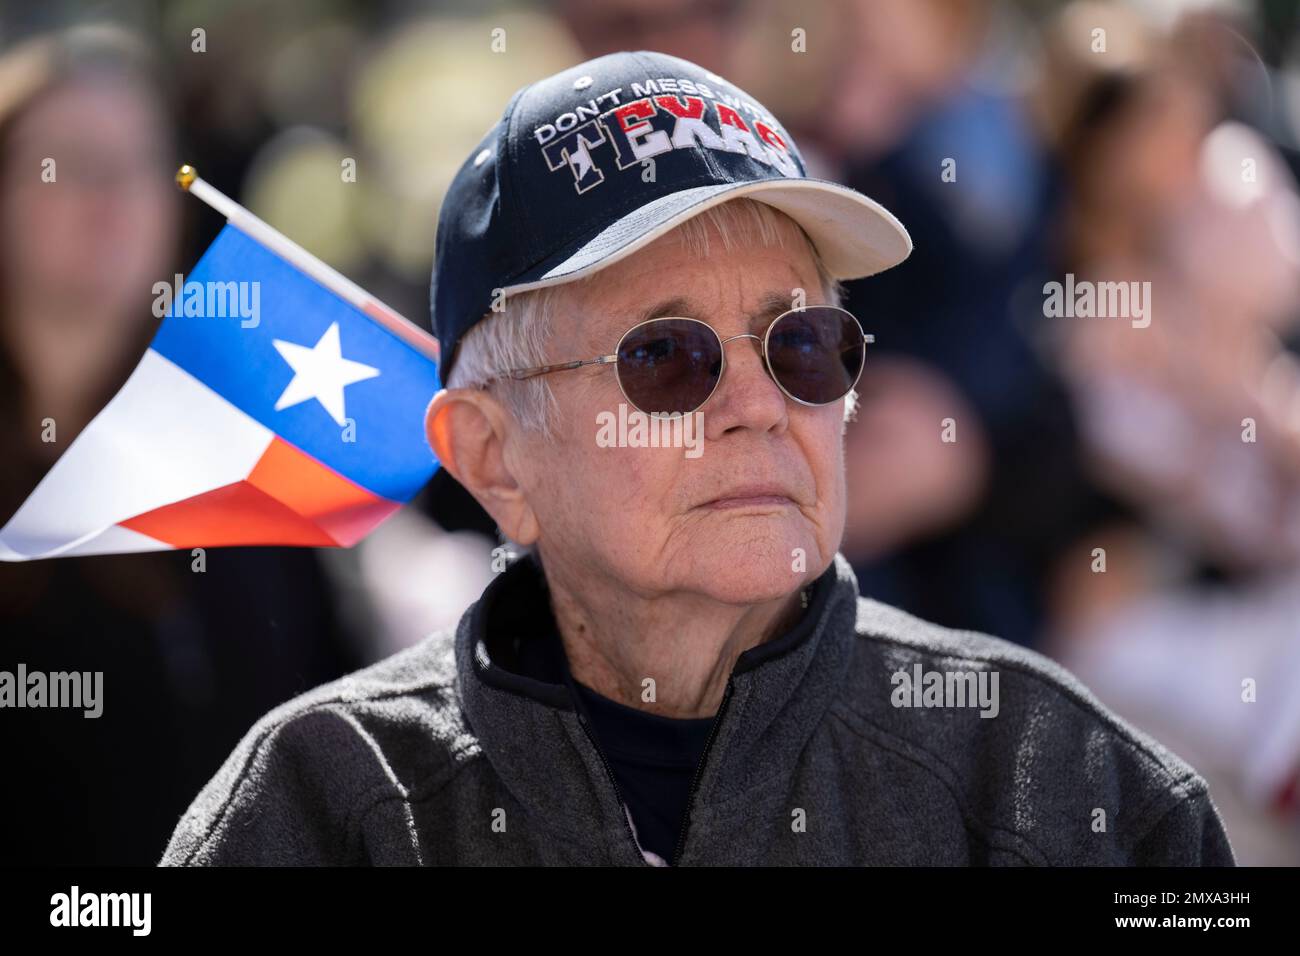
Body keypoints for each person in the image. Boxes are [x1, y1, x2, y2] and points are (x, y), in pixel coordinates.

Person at [161, 50, 1234, 866]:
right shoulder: (314, 811)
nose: (762, 405)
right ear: (493, 459)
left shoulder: (1071, 794)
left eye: (804, 344)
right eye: (667, 358)